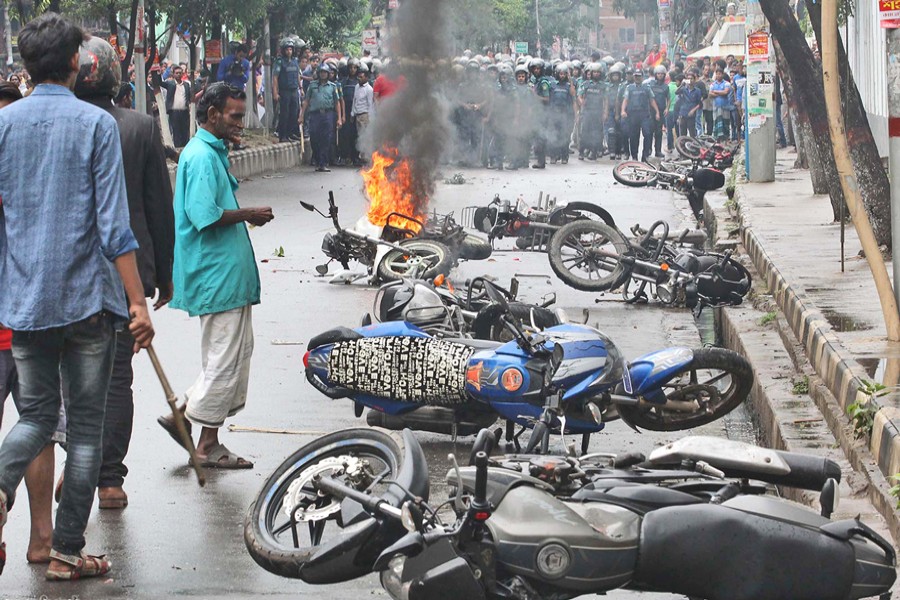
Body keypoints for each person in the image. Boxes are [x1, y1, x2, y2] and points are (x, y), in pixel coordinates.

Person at [0, 13, 154, 580]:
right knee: (85, 433)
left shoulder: (3, 125)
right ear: (74, 63)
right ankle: (67, 554)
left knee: (36, 415)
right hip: (90, 303)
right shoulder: (96, 125)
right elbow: (114, 227)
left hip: (24, 302)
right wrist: (137, 302)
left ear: (24, 66)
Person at [73, 36, 174, 511]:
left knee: (68, 379)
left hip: (68, 276)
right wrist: (165, 273)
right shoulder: (138, 126)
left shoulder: (65, 124)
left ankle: (77, 471)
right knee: (115, 380)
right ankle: (107, 479)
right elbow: (159, 206)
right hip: (124, 273)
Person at [159, 82, 273, 468]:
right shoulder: (203, 157)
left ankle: (184, 410)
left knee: (226, 355)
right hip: (217, 275)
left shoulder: (207, 152)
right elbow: (205, 216)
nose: (241, 123)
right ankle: (207, 444)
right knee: (225, 359)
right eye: (235, 116)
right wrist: (249, 214)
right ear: (212, 116)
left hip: (224, 276)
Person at [300, 64, 341, 172]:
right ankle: (317, 160)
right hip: (314, 115)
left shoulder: (332, 86)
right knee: (314, 137)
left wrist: (339, 118)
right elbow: (306, 101)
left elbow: (337, 103)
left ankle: (323, 163)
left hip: (328, 115)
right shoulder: (312, 85)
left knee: (326, 139)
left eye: (325, 72)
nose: (323, 74)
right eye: (321, 72)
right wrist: (301, 116)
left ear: (328, 74)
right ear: (318, 74)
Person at [620, 68, 659, 161]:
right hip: (632, 115)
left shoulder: (647, 87)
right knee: (633, 136)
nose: (637, 78)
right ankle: (634, 156)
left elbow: (652, 100)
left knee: (648, 134)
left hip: (644, 114)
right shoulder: (629, 88)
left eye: (639, 76)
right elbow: (625, 100)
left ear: (642, 77)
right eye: (635, 76)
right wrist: (623, 111)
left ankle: (645, 155)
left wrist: (657, 112)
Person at [273, 38, 301, 143]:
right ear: (283, 50)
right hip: (285, 91)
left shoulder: (295, 61)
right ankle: (283, 135)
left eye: (290, 49)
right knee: (285, 113)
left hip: (294, 90)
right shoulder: (280, 62)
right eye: (287, 50)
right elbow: (275, 77)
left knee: (294, 112)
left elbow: (298, 75)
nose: (289, 52)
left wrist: (301, 88)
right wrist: (275, 92)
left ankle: (291, 133)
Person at [578, 63, 606, 160]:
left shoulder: (603, 86)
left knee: (596, 133)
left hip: (598, 112)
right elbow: (580, 96)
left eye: (598, 72)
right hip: (587, 112)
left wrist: (605, 113)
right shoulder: (585, 84)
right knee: (584, 131)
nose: (596, 74)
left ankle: (593, 152)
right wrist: (582, 103)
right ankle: (581, 152)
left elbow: (605, 100)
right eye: (594, 72)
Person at [548, 63, 576, 164]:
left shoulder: (569, 86)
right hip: (554, 114)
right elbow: (549, 99)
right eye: (560, 74)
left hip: (566, 115)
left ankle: (564, 156)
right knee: (554, 136)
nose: (562, 76)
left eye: (564, 74)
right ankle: (554, 156)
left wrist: (570, 80)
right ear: (557, 74)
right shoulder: (552, 85)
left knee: (565, 136)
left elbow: (573, 96)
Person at [350, 63, 374, 166]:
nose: (359, 78)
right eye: (358, 77)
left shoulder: (369, 89)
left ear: (367, 78)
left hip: (365, 116)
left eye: (361, 77)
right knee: (359, 136)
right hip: (357, 115)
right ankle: (362, 157)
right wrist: (352, 113)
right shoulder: (356, 87)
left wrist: (370, 118)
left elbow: (370, 104)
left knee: (365, 137)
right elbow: (354, 101)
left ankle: (366, 158)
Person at [162, 65, 192, 147]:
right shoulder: (170, 84)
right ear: (173, 74)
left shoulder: (186, 85)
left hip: (184, 112)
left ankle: (185, 148)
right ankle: (178, 148)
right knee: (176, 131)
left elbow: (190, 97)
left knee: (185, 131)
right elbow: (159, 82)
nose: (178, 74)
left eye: (180, 73)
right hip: (174, 112)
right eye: (176, 73)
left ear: (182, 74)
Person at [647, 65, 670, 158]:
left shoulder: (665, 87)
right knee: (649, 131)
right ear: (655, 74)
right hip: (650, 111)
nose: (660, 75)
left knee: (659, 132)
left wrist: (667, 108)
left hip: (660, 111)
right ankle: (648, 150)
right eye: (658, 74)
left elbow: (668, 98)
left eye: (662, 74)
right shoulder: (651, 84)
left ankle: (658, 151)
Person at [675, 71, 703, 137]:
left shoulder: (697, 91)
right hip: (683, 113)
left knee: (692, 133)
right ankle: (683, 147)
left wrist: (693, 110)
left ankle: (693, 146)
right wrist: (681, 84)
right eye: (688, 79)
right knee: (683, 133)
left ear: (694, 80)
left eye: (691, 78)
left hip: (691, 115)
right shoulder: (684, 89)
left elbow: (699, 104)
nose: (690, 80)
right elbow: (676, 92)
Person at [709, 67, 731, 140]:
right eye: (717, 74)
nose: (718, 75)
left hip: (725, 107)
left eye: (720, 74)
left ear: (722, 74)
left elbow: (726, 92)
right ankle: (717, 141)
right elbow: (710, 94)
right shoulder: (713, 84)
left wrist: (715, 92)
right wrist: (720, 93)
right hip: (716, 107)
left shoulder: (727, 83)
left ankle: (726, 140)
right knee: (716, 124)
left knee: (725, 124)